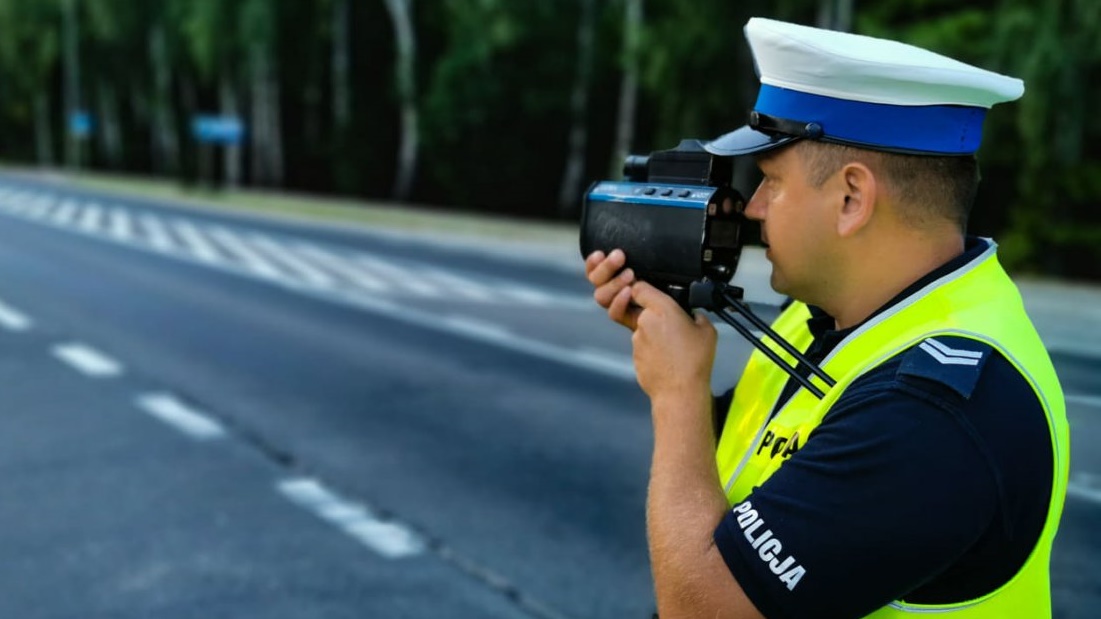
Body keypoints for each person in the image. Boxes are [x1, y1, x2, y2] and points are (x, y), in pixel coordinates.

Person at [585, 17, 1070, 619]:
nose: (753, 208)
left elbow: (705, 610)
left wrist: (677, 393)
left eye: (771, 180)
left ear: (851, 199)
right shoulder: (833, 319)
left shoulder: (932, 412)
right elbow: (753, 458)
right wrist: (667, 335)